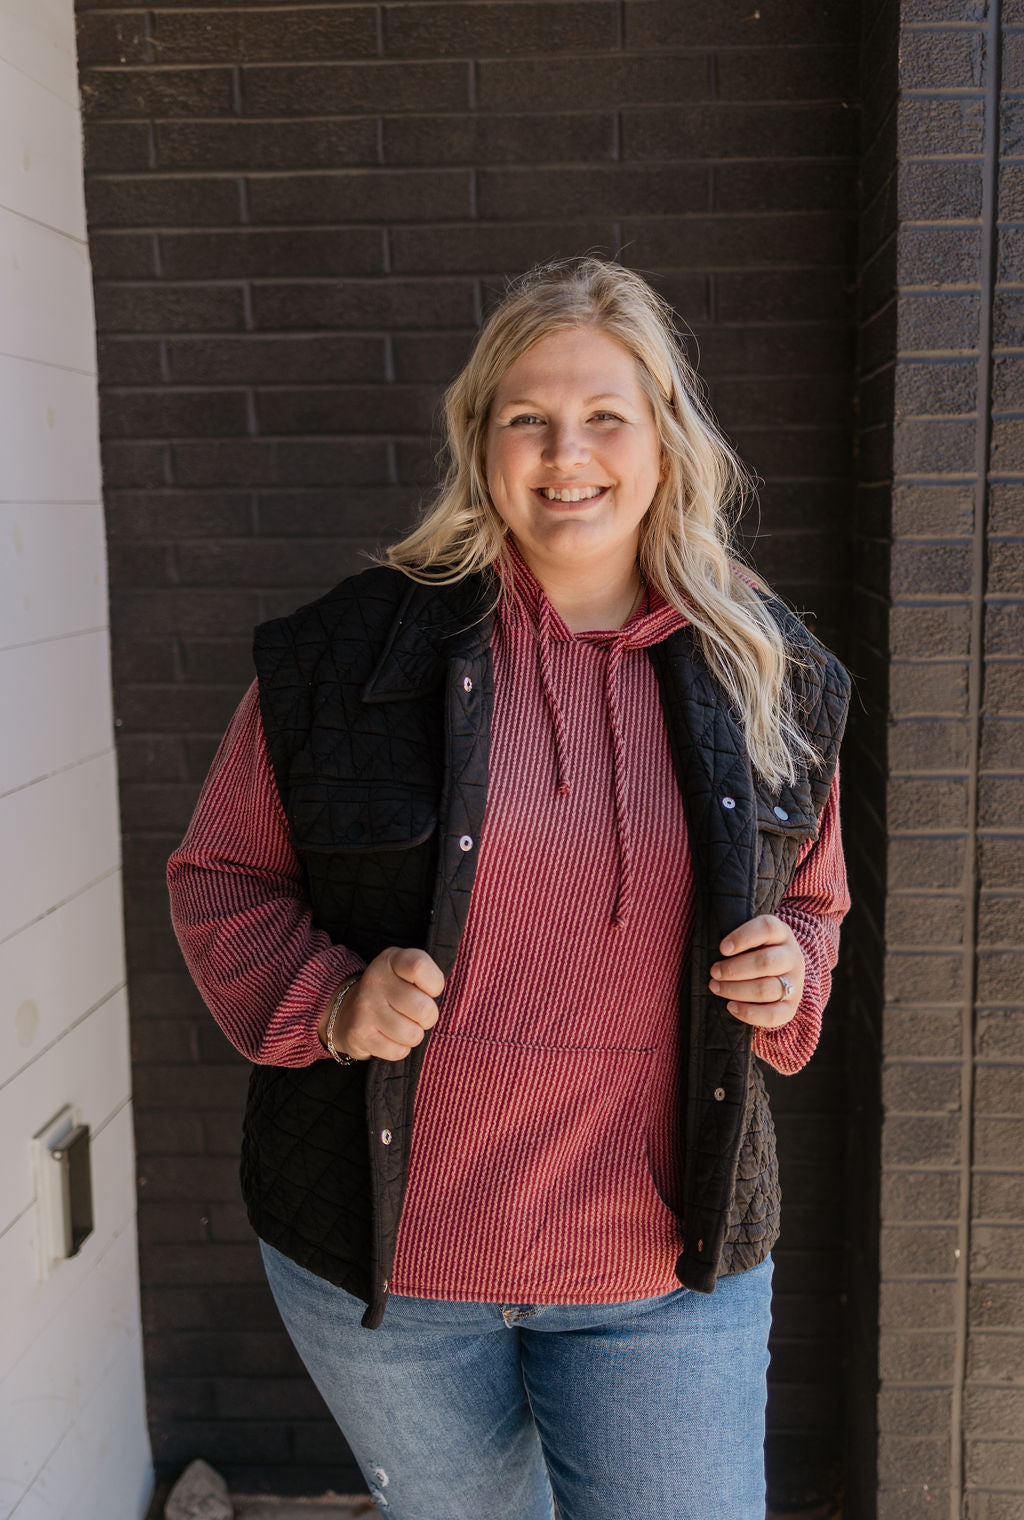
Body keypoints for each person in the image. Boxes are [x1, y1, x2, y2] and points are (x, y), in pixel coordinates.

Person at [168, 257, 850, 1520]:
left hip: (662, 1269)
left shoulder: (774, 670)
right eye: (527, 416)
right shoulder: (343, 656)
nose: (565, 452)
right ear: (479, 440)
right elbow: (223, 875)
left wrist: (790, 964)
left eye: (604, 416)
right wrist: (331, 1000)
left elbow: (813, 898)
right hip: (394, 1273)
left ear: (665, 440)